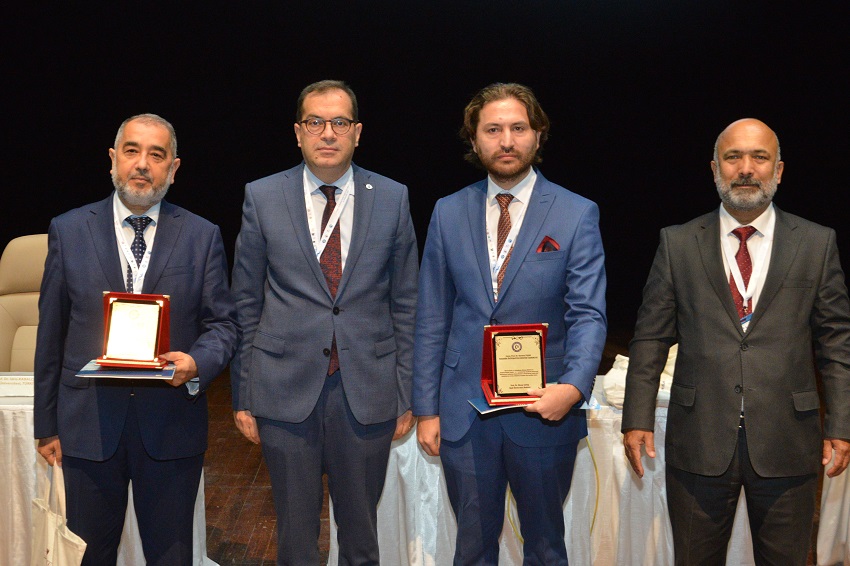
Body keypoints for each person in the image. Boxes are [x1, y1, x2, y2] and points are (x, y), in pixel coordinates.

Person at [622, 118, 850, 564]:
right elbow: (649, 337)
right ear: (714, 169)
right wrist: (636, 417)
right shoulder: (677, 243)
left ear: (778, 170)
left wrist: (841, 424)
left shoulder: (817, 243)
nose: (746, 168)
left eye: (759, 157)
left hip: (788, 442)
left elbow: (836, 343)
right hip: (698, 442)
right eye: (733, 157)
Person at [413, 82, 607, 565]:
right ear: (474, 139)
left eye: (518, 128)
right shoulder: (448, 211)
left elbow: (588, 313)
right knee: (472, 549)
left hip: (544, 408)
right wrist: (426, 408)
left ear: (538, 135)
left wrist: (574, 387)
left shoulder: (576, 213)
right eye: (493, 129)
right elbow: (432, 315)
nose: (506, 141)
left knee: (545, 547)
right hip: (464, 411)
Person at [33, 113, 240, 565]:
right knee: (89, 556)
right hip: (87, 428)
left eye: (156, 154)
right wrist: (46, 424)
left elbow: (224, 325)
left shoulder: (202, 235)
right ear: (113, 159)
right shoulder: (68, 230)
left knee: (171, 557)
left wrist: (197, 363)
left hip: (171, 427)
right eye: (132, 151)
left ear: (173, 168)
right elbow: (51, 333)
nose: (142, 163)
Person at [230, 80, 418, 565]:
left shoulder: (392, 197)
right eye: (315, 122)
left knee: (360, 535)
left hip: (368, 389)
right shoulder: (262, 196)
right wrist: (244, 393)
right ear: (298, 132)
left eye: (339, 122)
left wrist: (406, 393)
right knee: (295, 536)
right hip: (283, 389)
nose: (327, 133)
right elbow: (246, 302)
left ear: (357, 132)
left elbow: (406, 303)